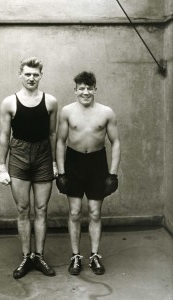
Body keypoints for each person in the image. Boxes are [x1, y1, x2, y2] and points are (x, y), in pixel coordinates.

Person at [0, 57, 58, 279]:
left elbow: (52, 134)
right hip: (19, 156)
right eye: (27, 74)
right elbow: (5, 135)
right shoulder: (9, 103)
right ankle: (26, 257)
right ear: (20, 75)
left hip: (43, 156)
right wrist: (1, 166)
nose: (31, 78)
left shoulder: (50, 101)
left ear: (41, 76)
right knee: (23, 209)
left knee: (41, 209)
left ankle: (38, 256)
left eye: (35, 74)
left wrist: (54, 162)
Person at [56, 71, 121, 276]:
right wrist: (61, 172)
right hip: (74, 163)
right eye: (81, 88)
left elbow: (116, 142)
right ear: (75, 90)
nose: (85, 92)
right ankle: (75, 256)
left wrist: (113, 174)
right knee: (74, 212)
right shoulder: (67, 111)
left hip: (97, 164)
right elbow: (60, 142)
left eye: (89, 88)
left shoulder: (106, 112)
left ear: (95, 89)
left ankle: (94, 256)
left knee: (95, 212)